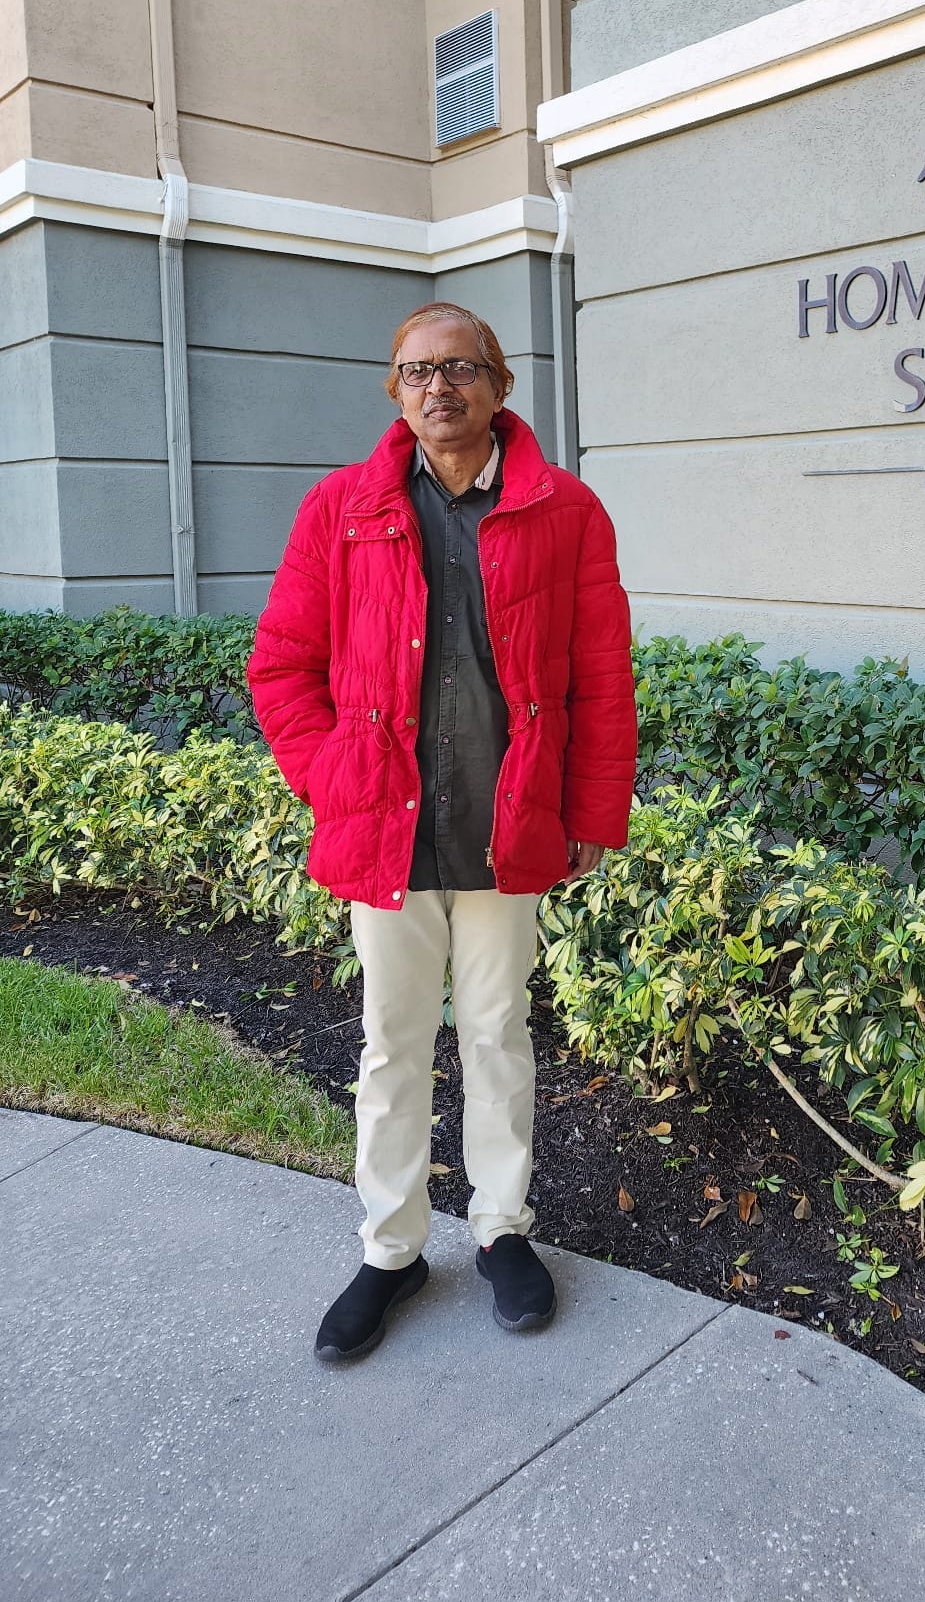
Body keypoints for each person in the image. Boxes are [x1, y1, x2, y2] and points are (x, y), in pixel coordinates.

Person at [247, 300, 636, 1363]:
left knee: (499, 1032)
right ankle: (392, 1249)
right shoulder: (342, 508)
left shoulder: (566, 510)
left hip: (509, 824)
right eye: (417, 370)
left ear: (500, 385)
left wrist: (593, 811)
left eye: (461, 366)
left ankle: (502, 1228)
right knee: (394, 1042)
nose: (438, 386)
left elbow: (602, 679)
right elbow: (282, 666)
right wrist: (332, 779)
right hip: (388, 827)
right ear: (396, 390)